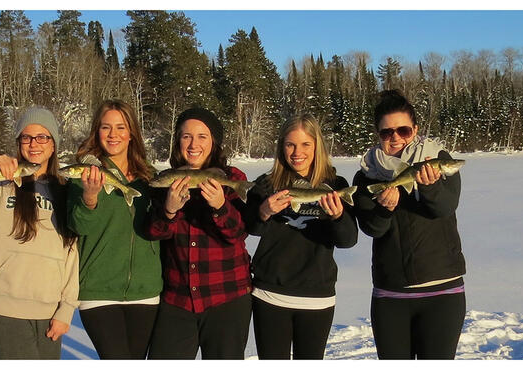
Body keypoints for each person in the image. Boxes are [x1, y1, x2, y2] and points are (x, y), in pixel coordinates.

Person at [0, 107, 79, 359]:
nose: (34, 144)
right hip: (4, 310)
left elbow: (72, 255)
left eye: (42, 137)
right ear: (18, 143)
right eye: (26, 137)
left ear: (53, 145)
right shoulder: (2, 182)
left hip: (48, 311)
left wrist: (66, 309)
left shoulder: (65, 190)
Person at [353, 90, 466, 359]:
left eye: (403, 130)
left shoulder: (438, 160)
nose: (395, 138)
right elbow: (372, 228)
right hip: (390, 295)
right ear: (378, 134)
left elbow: (444, 208)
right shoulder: (367, 175)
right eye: (386, 132)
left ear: (414, 130)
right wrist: (384, 210)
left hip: (443, 291)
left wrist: (430, 188)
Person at [243, 114, 358, 359]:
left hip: (317, 297)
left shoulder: (335, 184)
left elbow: (348, 240)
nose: (297, 152)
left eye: (305, 144)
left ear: (317, 146)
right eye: (290, 144)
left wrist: (338, 216)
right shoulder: (265, 184)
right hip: (270, 294)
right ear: (281, 146)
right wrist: (263, 212)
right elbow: (251, 228)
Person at [145, 107, 252, 360]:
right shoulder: (166, 181)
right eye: (186, 136)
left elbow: (239, 234)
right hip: (177, 299)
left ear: (213, 141)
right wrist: (169, 210)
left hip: (226, 297)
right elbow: (153, 233)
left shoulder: (232, 178)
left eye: (202, 136)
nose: (193, 144)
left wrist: (220, 206)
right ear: (177, 141)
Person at [66, 99, 162, 359]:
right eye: (106, 127)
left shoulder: (149, 176)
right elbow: (78, 226)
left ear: (132, 133)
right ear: (97, 132)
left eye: (121, 127)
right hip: (99, 290)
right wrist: (90, 197)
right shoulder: (86, 172)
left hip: (146, 290)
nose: (113, 135)